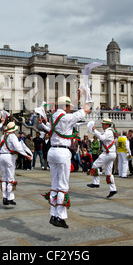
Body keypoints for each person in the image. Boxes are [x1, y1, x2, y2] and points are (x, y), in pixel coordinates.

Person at [40, 94, 90, 229]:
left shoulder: (53, 116)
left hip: (52, 152)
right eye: (69, 107)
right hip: (62, 152)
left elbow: (65, 111)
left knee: (55, 184)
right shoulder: (67, 118)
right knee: (63, 185)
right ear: (65, 106)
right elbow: (86, 109)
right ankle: (60, 216)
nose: (70, 109)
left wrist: (78, 95)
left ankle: (53, 214)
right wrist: (86, 95)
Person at [0, 122, 32, 206]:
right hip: (9, 157)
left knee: (4, 177)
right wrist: (26, 155)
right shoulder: (12, 136)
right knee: (10, 178)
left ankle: (5, 197)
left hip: (2, 156)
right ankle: (9, 198)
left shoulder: (3, 136)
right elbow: (18, 148)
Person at [87, 118, 118, 198]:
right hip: (111, 153)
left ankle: (96, 183)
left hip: (107, 153)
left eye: (103, 124)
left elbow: (102, 138)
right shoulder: (108, 131)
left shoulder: (108, 132)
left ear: (107, 125)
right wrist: (94, 131)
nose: (102, 125)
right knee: (108, 172)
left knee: (95, 165)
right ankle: (113, 189)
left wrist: (95, 130)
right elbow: (100, 135)